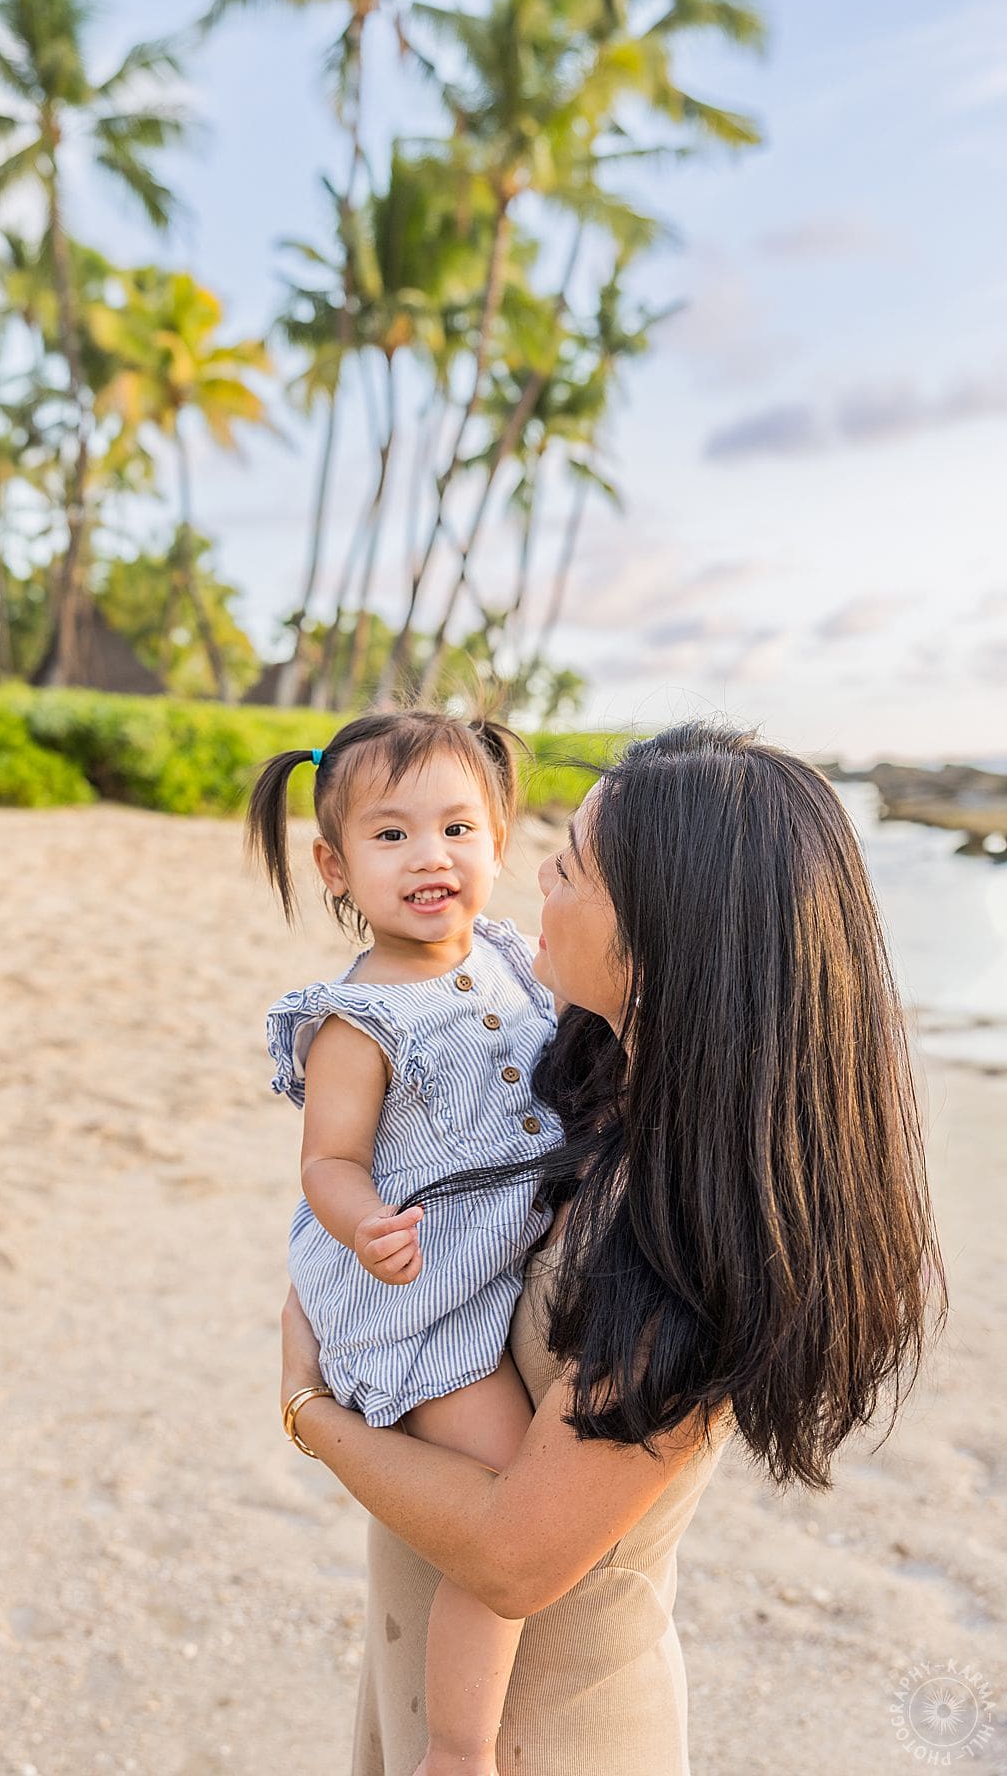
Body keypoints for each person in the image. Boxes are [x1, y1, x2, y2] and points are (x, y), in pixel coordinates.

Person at [278, 721, 948, 1776]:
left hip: (547, 1734)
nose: (534, 864)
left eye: (574, 864)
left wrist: (308, 1408)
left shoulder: (698, 1225)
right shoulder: (584, 1083)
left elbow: (510, 1556)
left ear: (662, 933)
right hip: (418, 1665)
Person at [247, 709, 568, 1776]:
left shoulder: (517, 960)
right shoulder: (358, 1021)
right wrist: (364, 1226)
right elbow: (327, 1162)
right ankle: (460, 1748)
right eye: (391, 837)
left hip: (492, 1262)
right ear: (336, 865)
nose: (431, 857)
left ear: (499, 841)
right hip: (420, 1292)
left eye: (457, 829)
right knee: (505, 1499)